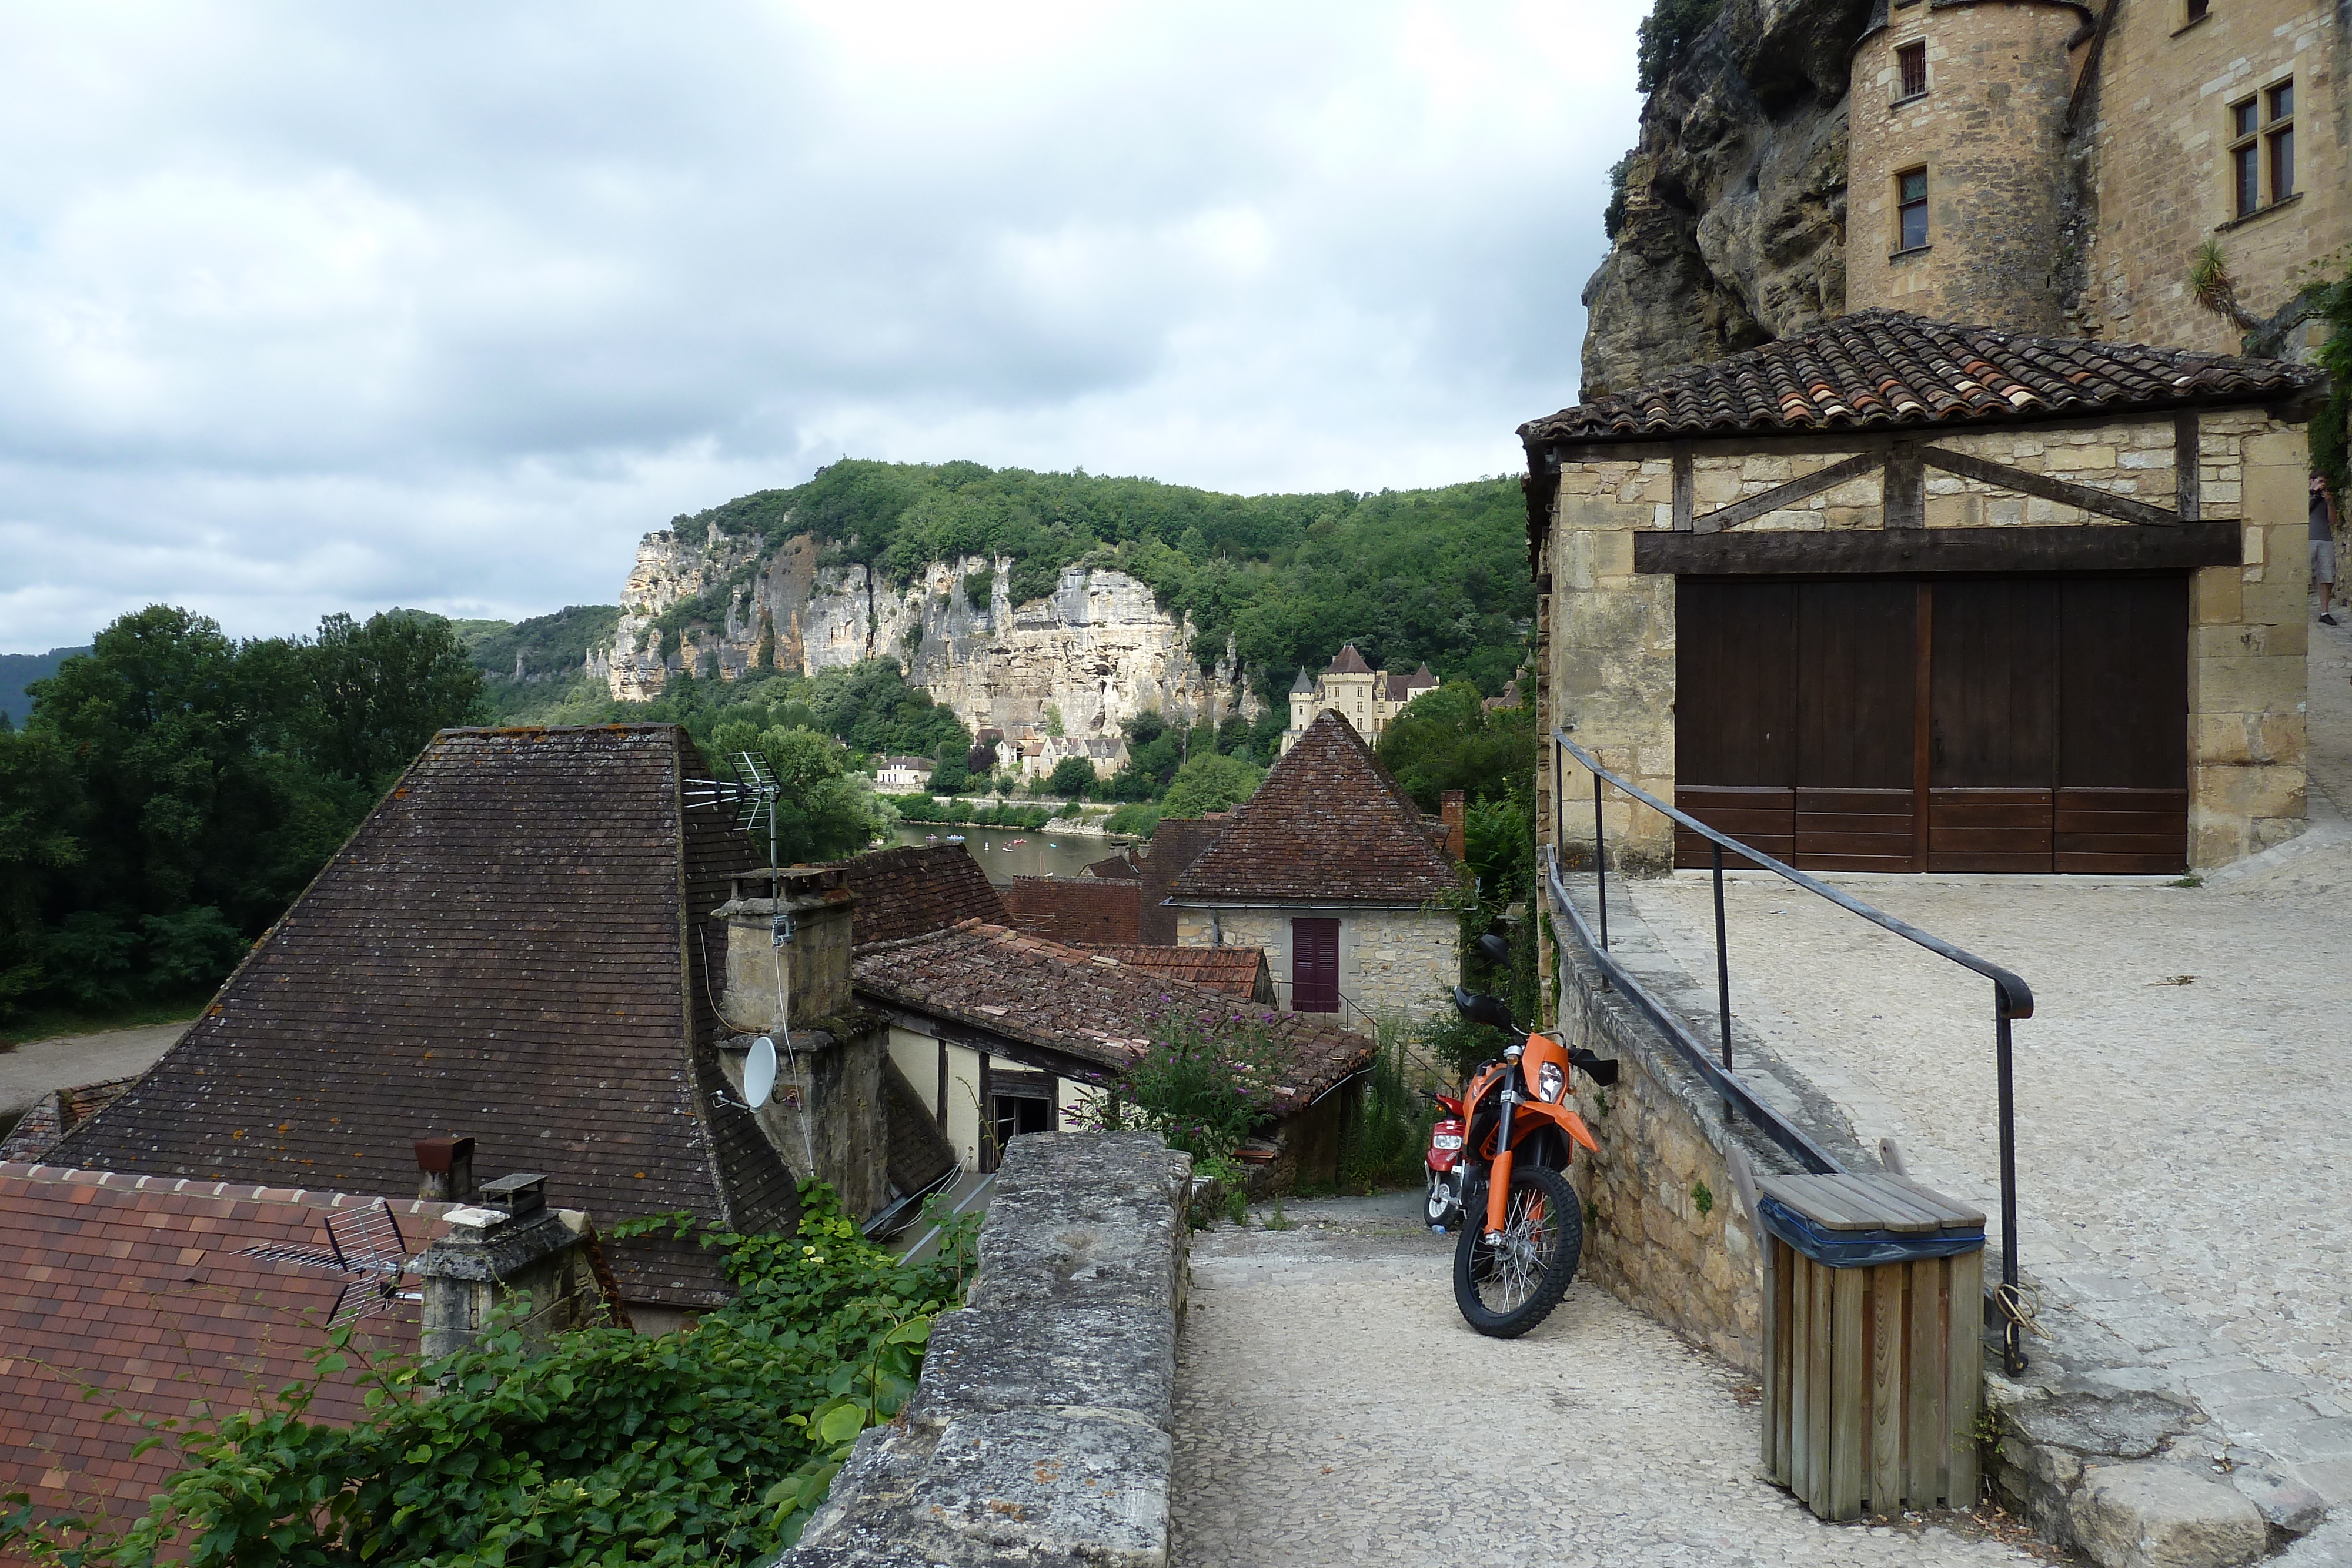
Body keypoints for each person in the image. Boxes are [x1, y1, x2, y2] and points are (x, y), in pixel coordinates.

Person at [2316, 473, 2342, 627]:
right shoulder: (2305, 495)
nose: (2323, 485)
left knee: (2326, 577)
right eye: (2320, 481)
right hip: (2307, 539)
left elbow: (2333, 521)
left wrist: (2330, 503)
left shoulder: (2327, 499)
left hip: (2325, 539)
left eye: (2325, 482)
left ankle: (2324, 612)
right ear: (2311, 481)